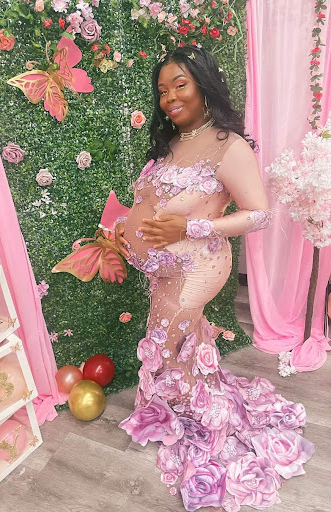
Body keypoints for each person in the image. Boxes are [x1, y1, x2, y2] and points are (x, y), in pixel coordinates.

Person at [115, 46, 314, 512]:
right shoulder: (170, 144)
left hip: (197, 266)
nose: (169, 97)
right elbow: (151, 204)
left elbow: (259, 214)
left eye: (180, 85)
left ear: (204, 86)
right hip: (164, 268)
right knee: (178, 340)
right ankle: (181, 404)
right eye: (162, 90)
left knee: (165, 343)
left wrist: (191, 227)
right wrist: (125, 228)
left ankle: (197, 421)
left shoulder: (229, 145)